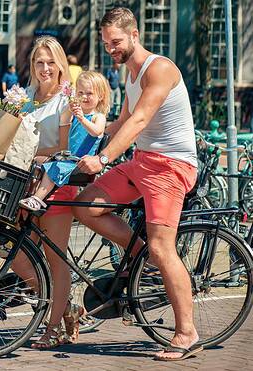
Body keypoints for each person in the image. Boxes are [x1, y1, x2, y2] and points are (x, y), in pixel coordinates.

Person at [73, 7, 199, 361]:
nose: (111, 49)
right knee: (88, 204)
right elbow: (120, 123)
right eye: (106, 44)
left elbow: (140, 120)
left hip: (171, 166)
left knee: (163, 248)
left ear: (134, 35)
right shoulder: (130, 75)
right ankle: (140, 255)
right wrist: (77, 140)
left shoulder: (158, 68)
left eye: (116, 42)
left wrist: (103, 158)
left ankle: (187, 332)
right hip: (142, 162)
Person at [0, 36, 82, 350]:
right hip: (25, 185)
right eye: (39, 62)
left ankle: (52, 329)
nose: (45, 68)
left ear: (60, 64)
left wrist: (31, 152)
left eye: (50, 62)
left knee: (55, 260)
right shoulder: (26, 95)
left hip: (56, 184)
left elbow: (67, 149)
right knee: (19, 258)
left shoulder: (67, 99)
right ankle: (64, 307)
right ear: (32, 65)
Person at [19, 71, 109, 211]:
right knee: (36, 161)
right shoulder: (77, 114)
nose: (84, 97)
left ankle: (37, 199)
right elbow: (64, 121)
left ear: (101, 96)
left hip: (81, 162)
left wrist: (82, 119)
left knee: (53, 168)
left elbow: (96, 131)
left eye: (89, 93)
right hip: (67, 156)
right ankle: (30, 193)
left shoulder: (98, 116)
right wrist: (70, 108)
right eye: (80, 93)